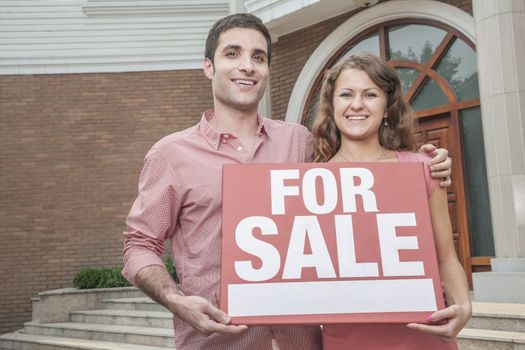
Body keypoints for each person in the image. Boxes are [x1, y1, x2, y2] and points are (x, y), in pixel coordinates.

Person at [121, 13, 452, 350]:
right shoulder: (171, 154)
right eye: (232, 54)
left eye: (258, 57)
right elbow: (138, 245)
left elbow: (365, 173)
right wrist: (176, 300)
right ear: (209, 66)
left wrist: (425, 164)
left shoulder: (299, 142)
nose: (247, 66)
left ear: (266, 70)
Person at [311, 52, 471, 349]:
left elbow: (445, 255)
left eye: (370, 94)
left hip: (422, 335)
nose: (357, 104)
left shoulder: (423, 168)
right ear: (332, 105)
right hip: (347, 339)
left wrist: (463, 304)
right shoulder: (311, 182)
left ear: (387, 106)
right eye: (346, 94)